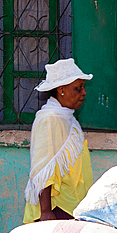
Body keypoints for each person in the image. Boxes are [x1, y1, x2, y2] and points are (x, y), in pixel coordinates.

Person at [23, 58, 94, 223]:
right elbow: (43, 167)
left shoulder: (68, 119)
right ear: (61, 90)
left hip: (72, 205)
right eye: (78, 88)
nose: (84, 93)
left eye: (83, 87)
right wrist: (46, 211)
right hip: (56, 209)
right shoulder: (49, 119)